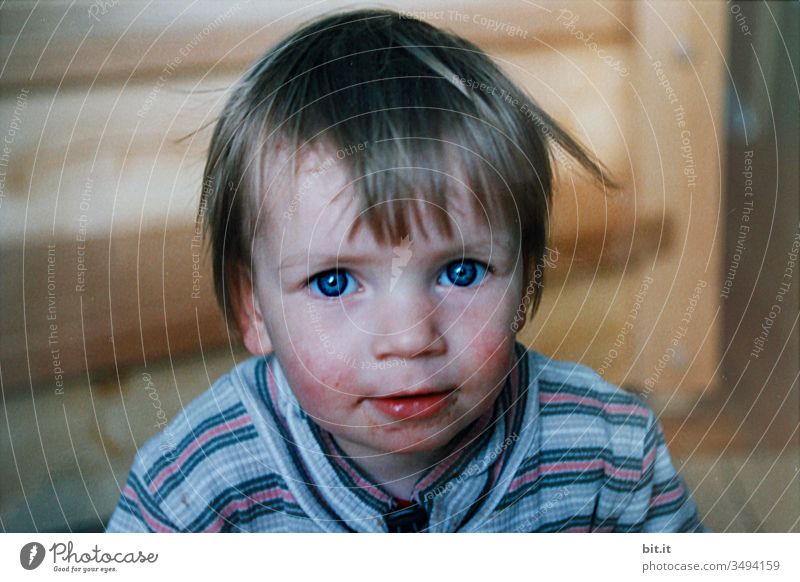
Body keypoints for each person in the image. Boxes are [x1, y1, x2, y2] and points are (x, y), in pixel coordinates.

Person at [106, 8, 705, 533]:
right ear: (254, 309)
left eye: (462, 271)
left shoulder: (611, 452)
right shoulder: (196, 482)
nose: (410, 337)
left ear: (525, 284)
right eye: (335, 281)